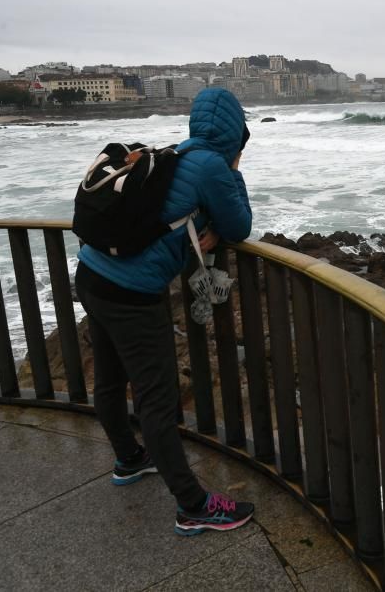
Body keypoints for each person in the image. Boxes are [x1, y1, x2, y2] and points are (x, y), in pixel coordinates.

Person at [74, 87, 254, 536]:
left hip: (93, 275)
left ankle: (129, 459)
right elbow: (240, 225)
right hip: (132, 295)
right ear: (237, 133)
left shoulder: (176, 152)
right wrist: (234, 172)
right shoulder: (213, 164)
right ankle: (193, 506)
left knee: (111, 380)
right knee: (157, 401)